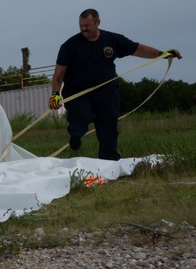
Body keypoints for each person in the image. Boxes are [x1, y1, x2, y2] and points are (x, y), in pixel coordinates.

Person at [50, 9, 181, 160]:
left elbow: (137, 49)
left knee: (109, 125)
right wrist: (55, 94)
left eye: (87, 25)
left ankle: (109, 161)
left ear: (98, 23)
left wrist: (161, 54)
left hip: (106, 91)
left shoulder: (112, 40)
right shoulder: (70, 45)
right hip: (77, 92)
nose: (83, 29)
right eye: (81, 25)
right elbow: (59, 73)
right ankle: (76, 134)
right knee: (82, 116)